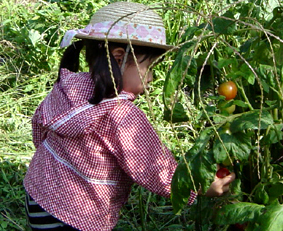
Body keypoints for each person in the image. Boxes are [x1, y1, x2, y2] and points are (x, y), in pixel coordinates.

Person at [24, 2, 235, 231]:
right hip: (77, 216)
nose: (152, 77)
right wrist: (198, 186)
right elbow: (153, 167)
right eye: (151, 67)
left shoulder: (68, 86)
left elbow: (39, 127)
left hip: (37, 194)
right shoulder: (122, 115)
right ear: (119, 58)